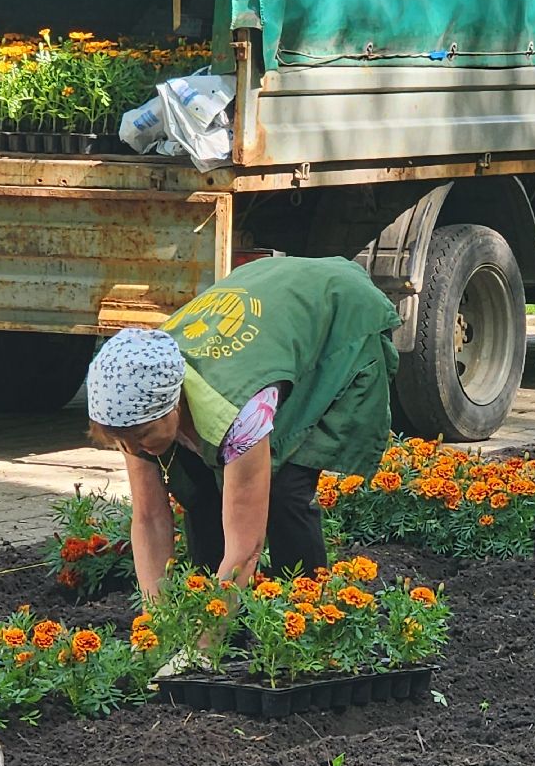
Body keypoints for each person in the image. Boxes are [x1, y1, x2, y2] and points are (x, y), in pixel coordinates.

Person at [85, 256, 400, 599]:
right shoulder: (128, 394)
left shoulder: (240, 411)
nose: (134, 449)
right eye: (122, 442)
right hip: (266, 299)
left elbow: (246, 549)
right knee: (195, 486)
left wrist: (201, 649)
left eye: (143, 436)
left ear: (173, 402)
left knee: (284, 489)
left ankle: (301, 615)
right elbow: (149, 520)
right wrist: (160, 622)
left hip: (339, 316)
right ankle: (219, 617)